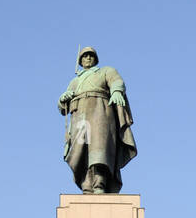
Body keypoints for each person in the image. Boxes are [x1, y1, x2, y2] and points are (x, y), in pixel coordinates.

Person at [57, 47, 137, 193]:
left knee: (99, 149)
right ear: (80, 61)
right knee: (81, 151)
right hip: (79, 116)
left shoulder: (105, 71)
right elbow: (63, 108)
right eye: (85, 56)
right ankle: (86, 185)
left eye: (91, 55)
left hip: (100, 112)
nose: (88, 58)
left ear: (95, 59)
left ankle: (99, 183)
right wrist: (63, 99)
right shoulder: (75, 81)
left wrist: (117, 91)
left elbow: (117, 81)